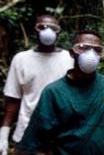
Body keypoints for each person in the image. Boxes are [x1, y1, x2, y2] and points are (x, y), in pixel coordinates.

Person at [16, 30, 104, 154]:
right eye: (83, 48)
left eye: (96, 50)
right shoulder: (54, 92)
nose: (90, 54)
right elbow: (38, 140)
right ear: (72, 53)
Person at [0, 14, 73, 155]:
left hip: (61, 133)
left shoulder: (69, 59)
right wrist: (4, 132)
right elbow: (13, 99)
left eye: (53, 28)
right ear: (35, 30)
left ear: (58, 32)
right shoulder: (21, 59)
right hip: (26, 131)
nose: (48, 31)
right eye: (42, 27)